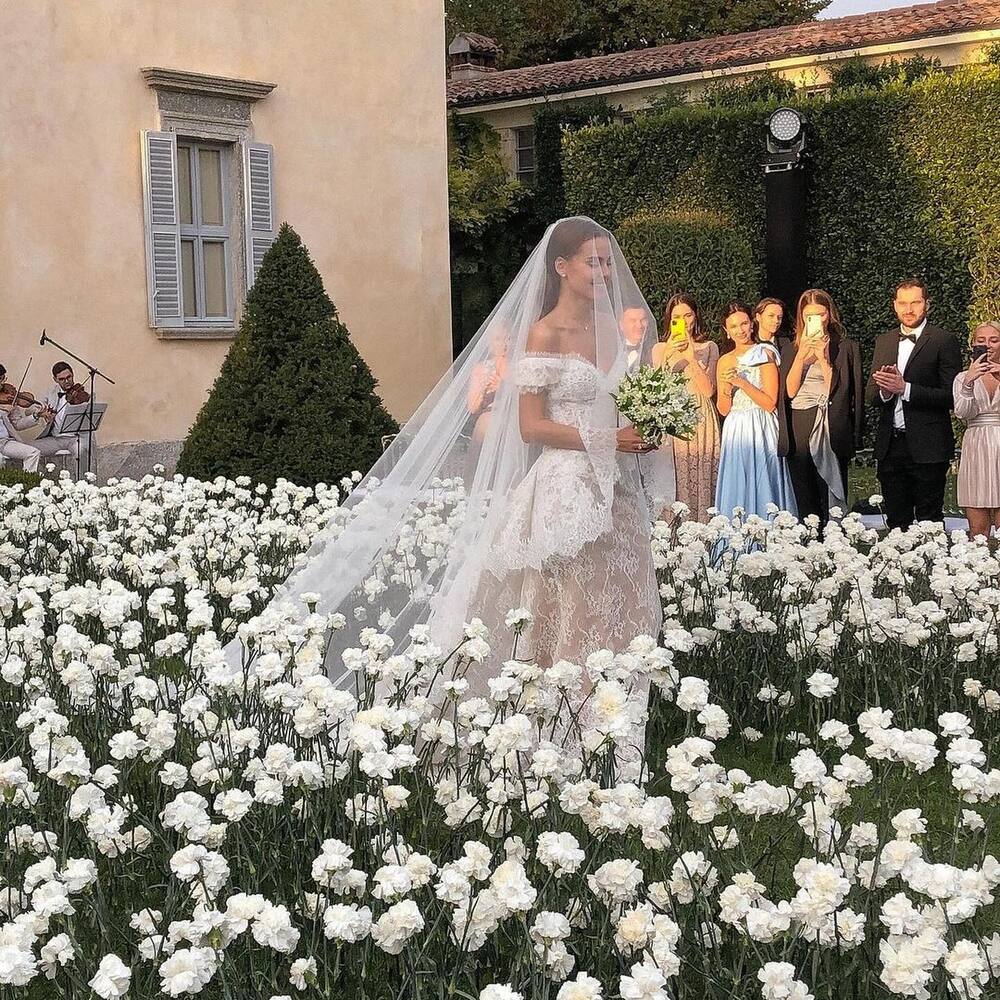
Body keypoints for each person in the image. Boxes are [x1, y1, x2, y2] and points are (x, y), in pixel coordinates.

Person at [228, 218, 675, 763]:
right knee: (572, 613)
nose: (604, 271)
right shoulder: (544, 334)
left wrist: (647, 425)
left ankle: (617, 731)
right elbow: (531, 427)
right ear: (561, 267)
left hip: (618, 491)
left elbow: (622, 404)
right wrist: (610, 438)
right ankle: (565, 740)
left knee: (626, 607)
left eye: (607, 261)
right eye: (592, 261)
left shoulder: (612, 329)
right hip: (565, 491)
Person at [866, 278, 962, 530]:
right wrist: (886, 391)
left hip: (929, 446)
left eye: (915, 303)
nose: (908, 310)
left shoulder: (943, 340)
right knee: (896, 522)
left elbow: (951, 395)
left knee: (929, 521)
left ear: (927, 304)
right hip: (891, 446)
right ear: (894, 306)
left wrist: (905, 389)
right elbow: (871, 395)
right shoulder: (884, 341)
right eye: (903, 303)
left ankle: (932, 569)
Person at [779, 289, 863, 524]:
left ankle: (835, 542)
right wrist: (801, 357)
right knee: (804, 493)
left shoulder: (845, 347)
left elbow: (843, 392)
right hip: (800, 423)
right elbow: (789, 391)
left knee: (831, 493)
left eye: (821, 314)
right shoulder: (789, 348)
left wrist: (825, 360)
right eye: (809, 316)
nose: (816, 320)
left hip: (831, 423)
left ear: (830, 315)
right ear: (801, 317)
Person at [715, 302, 796, 519]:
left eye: (743, 324)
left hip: (760, 424)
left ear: (752, 324)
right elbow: (723, 410)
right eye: (733, 327)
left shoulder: (764, 353)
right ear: (727, 331)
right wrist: (726, 388)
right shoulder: (724, 360)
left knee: (762, 476)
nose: (740, 330)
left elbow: (770, 403)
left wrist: (742, 383)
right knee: (738, 478)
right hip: (735, 428)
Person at [651, 294, 720, 521]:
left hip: (701, 417)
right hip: (673, 417)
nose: (684, 320)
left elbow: (709, 390)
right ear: (670, 320)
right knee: (675, 475)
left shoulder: (709, 347)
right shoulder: (660, 348)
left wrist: (690, 357)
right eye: (677, 316)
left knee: (702, 473)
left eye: (688, 315)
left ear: (695, 316)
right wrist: (671, 353)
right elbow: (656, 390)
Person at [953, 320, 1000, 539]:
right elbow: (963, 413)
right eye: (981, 341)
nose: (988, 345)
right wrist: (969, 382)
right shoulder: (962, 377)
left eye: (994, 340)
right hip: (976, 447)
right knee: (978, 531)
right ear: (973, 344)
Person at [33, 361, 94, 475]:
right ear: (55, 379)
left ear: (72, 374)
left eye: (69, 377)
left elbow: (91, 414)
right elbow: (32, 409)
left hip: (75, 439)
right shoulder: (51, 393)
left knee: (81, 451)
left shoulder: (84, 394)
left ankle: (84, 483)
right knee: (29, 449)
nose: (67, 381)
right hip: (55, 439)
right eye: (62, 379)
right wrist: (42, 414)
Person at [0, 363, 44, 473]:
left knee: (33, 453)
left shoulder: (8, 398)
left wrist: (35, 415)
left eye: (3, 379)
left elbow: (17, 424)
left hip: (5, 442)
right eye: (0, 380)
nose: (2, 385)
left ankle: (28, 485)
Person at [620, 306, 648, 372]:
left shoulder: (653, 351)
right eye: (633, 320)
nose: (639, 325)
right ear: (621, 325)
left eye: (643, 320)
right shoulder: (611, 350)